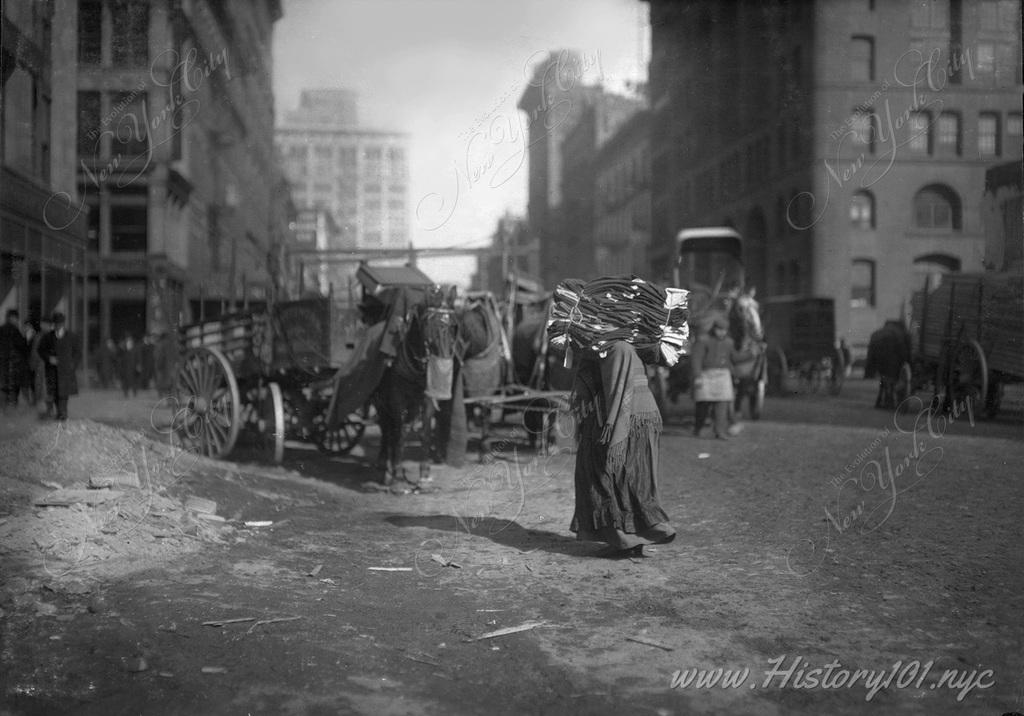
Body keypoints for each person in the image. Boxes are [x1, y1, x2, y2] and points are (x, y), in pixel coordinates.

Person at [569, 340, 676, 557]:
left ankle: (622, 539)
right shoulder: (627, 348)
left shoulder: (615, 350)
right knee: (635, 480)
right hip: (643, 418)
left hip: (621, 418)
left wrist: (612, 430)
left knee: (604, 476)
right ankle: (634, 539)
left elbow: (617, 392)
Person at [691, 314, 755, 439]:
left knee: (722, 405)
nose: (722, 333)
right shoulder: (703, 341)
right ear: (714, 329)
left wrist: (751, 354)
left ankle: (720, 431)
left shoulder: (729, 343)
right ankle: (698, 428)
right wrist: (697, 376)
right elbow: (696, 359)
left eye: (724, 330)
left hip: (723, 376)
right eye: (719, 330)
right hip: (706, 375)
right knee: (703, 405)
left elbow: (735, 358)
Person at [36, 312, 81, 421]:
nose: (58, 326)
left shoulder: (71, 336)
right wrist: (49, 358)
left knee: (64, 393)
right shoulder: (48, 337)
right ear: (54, 324)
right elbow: (40, 350)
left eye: (60, 324)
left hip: (66, 370)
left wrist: (73, 365)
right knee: (54, 392)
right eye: (56, 324)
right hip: (52, 370)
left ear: (63, 324)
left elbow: (78, 353)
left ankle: (62, 413)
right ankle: (60, 412)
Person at [864, 320, 911, 410]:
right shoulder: (901, 333)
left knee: (884, 378)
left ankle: (882, 400)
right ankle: (889, 401)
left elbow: (870, 355)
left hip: (880, 360)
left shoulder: (876, 334)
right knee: (890, 379)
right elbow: (904, 353)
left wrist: (869, 368)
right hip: (893, 360)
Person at [0, 309, 28, 411]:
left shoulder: (1, 329)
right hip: (13, 364)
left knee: (4, 388)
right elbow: (22, 346)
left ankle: (4, 409)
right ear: (12, 318)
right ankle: (10, 410)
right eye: (16, 318)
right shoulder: (14, 330)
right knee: (13, 388)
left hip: (3, 364)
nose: (17, 320)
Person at [152, 328, 180, 397]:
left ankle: (163, 398)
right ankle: (173, 397)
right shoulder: (173, 344)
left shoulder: (160, 344)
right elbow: (177, 355)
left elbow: (158, 356)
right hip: (172, 366)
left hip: (163, 367)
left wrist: (158, 365)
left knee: (162, 383)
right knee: (172, 382)